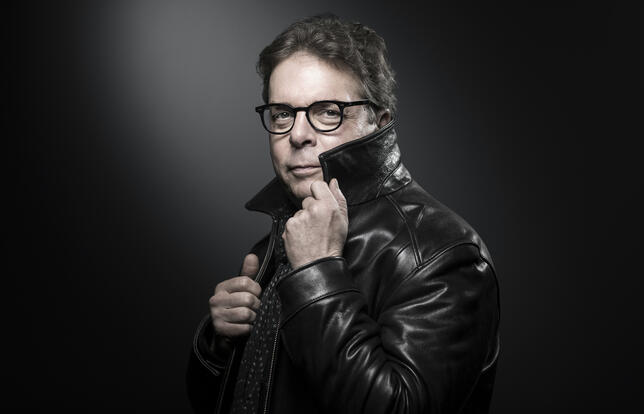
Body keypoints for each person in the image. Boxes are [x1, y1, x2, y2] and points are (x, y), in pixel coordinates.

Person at [186, 13, 500, 414]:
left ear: (378, 123)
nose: (297, 134)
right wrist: (218, 346)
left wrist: (317, 273)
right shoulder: (278, 241)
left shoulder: (442, 252)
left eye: (327, 111)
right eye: (282, 113)